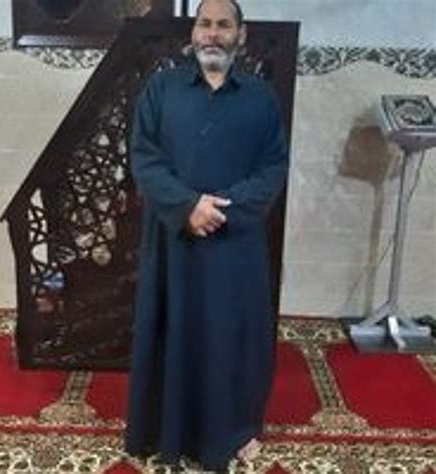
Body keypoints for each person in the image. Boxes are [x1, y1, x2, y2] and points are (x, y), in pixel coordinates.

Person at [125, 0, 289, 470]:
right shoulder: (162, 89)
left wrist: (219, 212)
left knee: (231, 339)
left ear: (241, 34)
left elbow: (272, 167)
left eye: (223, 25)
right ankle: (166, 431)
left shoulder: (261, 98)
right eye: (204, 24)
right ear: (193, 32)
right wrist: (187, 207)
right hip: (174, 241)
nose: (212, 34)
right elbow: (144, 157)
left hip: (234, 246)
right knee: (172, 333)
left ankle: (233, 431)